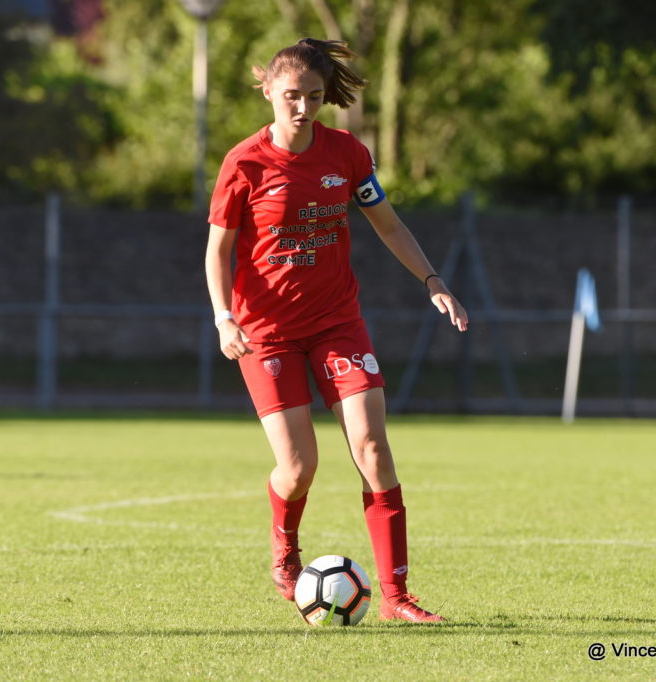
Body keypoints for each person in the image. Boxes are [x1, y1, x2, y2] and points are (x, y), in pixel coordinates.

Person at [204, 38, 468, 624]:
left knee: (373, 449)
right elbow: (217, 251)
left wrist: (433, 280)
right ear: (268, 91)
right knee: (299, 467)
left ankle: (397, 597)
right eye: (292, 96)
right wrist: (224, 317)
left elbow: (389, 225)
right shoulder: (243, 163)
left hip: (337, 323)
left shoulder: (347, 154)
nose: (303, 107)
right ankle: (284, 553)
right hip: (266, 331)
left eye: (314, 96)